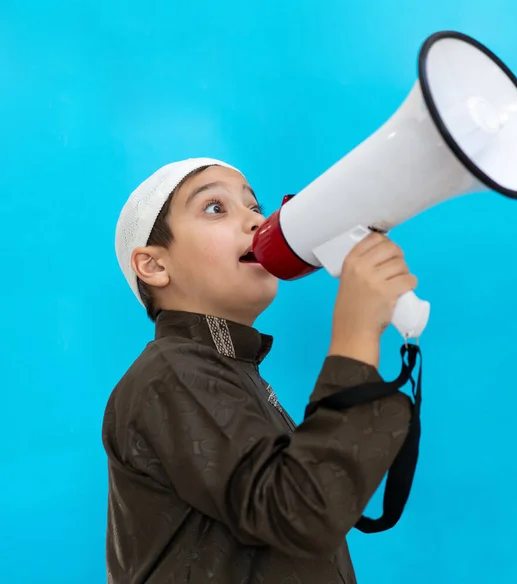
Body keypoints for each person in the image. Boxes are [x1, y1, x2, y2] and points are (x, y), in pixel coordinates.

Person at [103, 157, 419, 583]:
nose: (257, 222)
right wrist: (357, 332)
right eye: (215, 207)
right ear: (154, 266)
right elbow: (301, 511)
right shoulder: (171, 371)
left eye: (255, 207)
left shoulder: (223, 369)